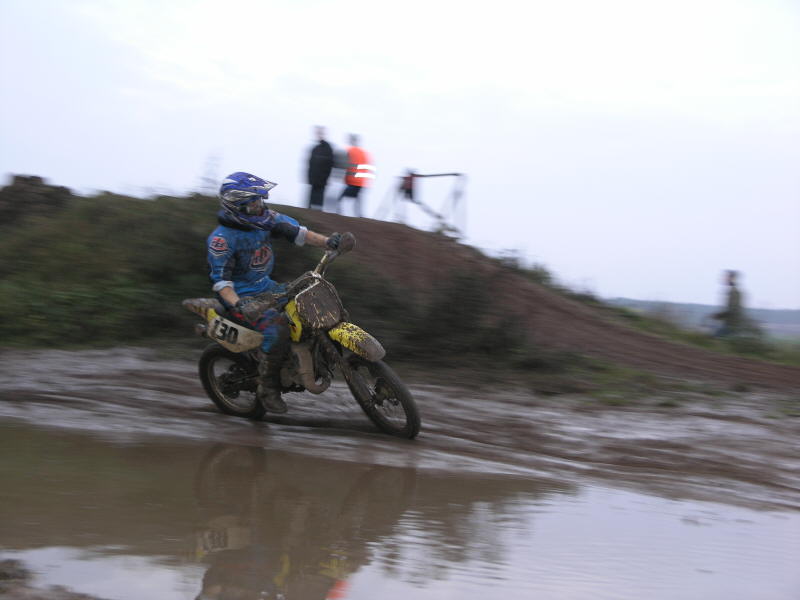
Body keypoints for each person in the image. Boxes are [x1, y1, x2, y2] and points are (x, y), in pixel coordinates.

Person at [207, 171, 343, 414]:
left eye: (260, 200)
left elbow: (300, 233)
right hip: (240, 296)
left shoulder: (266, 220)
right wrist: (240, 305)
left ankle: (316, 357)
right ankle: (267, 388)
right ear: (236, 206)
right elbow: (222, 283)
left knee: (310, 298)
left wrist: (328, 242)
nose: (259, 206)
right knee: (277, 329)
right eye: (253, 203)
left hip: (266, 285)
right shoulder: (222, 240)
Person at [336, 134, 374, 217]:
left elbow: (343, 164)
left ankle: (338, 214)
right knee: (357, 200)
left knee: (341, 198)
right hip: (360, 181)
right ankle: (360, 216)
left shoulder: (349, 151)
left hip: (352, 181)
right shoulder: (363, 153)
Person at [306, 126, 334, 210]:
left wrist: (326, 177)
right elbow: (310, 163)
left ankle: (317, 212)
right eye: (318, 133)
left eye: (320, 133)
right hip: (314, 179)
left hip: (321, 179)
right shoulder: (315, 148)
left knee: (318, 201)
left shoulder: (327, 148)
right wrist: (310, 177)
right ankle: (311, 211)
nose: (318, 135)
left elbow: (330, 164)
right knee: (312, 201)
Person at [712, 269, 745, 338]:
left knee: (715, 337)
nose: (724, 279)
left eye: (727, 277)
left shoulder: (734, 292)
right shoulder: (733, 291)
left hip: (732, 325)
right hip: (730, 323)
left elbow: (733, 309)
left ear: (732, 278)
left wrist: (719, 315)